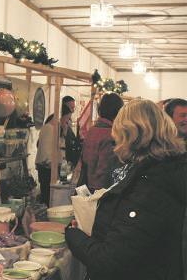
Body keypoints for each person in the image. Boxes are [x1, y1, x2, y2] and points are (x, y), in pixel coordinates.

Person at [65, 99, 187, 280]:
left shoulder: (151, 183)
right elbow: (135, 235)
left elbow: (109, 261)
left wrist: (73, 235)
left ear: (130, 135)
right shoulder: (161, 169)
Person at [80, 93, 124, 191]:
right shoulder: (111, 134)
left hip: (87, 185)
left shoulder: (92, 130)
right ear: (118, 111)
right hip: (100, 190)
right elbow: (104, 170)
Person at [35, 104, 72, 206]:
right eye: (67, 118)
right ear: (61, 117)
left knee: (48, 196)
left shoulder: (52, 129)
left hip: (49, 168)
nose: (68, 122)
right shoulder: (49, 129)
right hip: (47, 169)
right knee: (47, 197)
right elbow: (47, 153)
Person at [62, 96, 82, 167]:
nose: (73, 111)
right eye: (71, 108)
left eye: (74, 108)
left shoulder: (69, 121)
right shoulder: (60, 122)